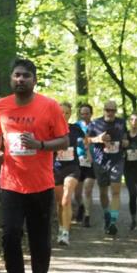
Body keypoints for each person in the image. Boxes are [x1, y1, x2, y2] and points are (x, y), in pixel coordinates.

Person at [0, 59, 69, 273]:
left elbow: (65, 140)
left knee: (39, 239)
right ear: (11, 79)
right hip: (11, 183)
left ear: (34, 79)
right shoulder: (1, 106)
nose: (20, 80)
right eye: (16, 75)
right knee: (9, 234)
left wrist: (41, 146)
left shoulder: (49, 106)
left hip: (40, 184)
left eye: (25, 76)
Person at [85, 99, 127, 237]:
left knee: (115, 191)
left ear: (116, 111)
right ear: (104, 110)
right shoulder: (95, 123)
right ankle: (106, 214)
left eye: (113, 110)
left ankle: (113, 222)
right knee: (103, 192)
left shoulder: (121, 123)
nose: (110, 112)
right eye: (108, 110)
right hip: (100, 160)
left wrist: (125, 142)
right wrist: (98, 139)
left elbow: (125, 137)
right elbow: (86, 140)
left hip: (117, 160)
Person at [52, 102, 85, 247]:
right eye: (61, 112)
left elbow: (87, 140)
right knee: (60, 203)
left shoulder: (76, 129)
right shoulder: (50, 129)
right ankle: (61, 228)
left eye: (66, 113)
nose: (63, 115)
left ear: (70, 114)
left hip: (72, 168)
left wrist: (98, 140)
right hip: (56, 169)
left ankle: (66, 233)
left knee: (66, 200)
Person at [74, 103, 95, 228]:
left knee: (87, 189)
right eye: (82, 113)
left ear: (91, 114)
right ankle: (81, 205)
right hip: (78, 161)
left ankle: (87, 216)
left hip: (91, 162)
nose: (85, 115)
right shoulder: (76, 126)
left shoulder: (96, 126)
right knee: (77, 193)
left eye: (87, 113)